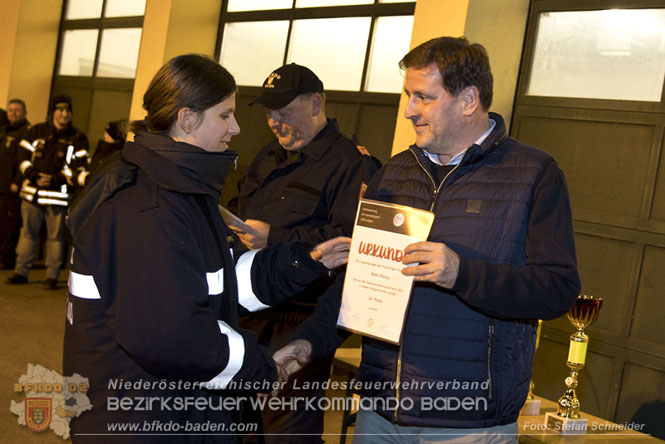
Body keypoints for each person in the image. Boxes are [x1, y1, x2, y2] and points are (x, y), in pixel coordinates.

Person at [276, 36, 582, 444]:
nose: (408, 111)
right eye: (408, 95)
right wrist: (308, 342)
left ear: (469, 99)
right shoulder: (395, 173)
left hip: (469, 423)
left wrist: (462, 274)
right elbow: (361, 281)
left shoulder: (533, 175)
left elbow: (557, 290)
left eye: (423, 97)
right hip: (380, 412)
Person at [62, 54, 351, 444]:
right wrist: (262, 367)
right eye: (225, 115)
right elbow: (173, 334)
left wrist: (305, 261)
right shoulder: (147, 206)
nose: (235, 127)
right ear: (186, 119)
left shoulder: (180, 189)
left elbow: (221, 279)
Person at [230, 63, 381, 443]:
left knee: (287, 432)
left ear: (316, 103)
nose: (273, 121)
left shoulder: (352, 164)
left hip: (299, 321)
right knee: (237, 429)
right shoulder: (267, 158)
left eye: (283, 112)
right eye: (268, 113)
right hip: (245, 316)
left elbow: (351, 241)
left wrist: (276, 237)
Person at [6, 94, 89, 288]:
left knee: (55, 238)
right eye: (60, 110)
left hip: (57, 197)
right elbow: (22, 157)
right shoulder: (36, 131)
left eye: (67, 111)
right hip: (32, 194)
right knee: (28, 234)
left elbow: (80, 167)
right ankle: (20, 272)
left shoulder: (78, 138)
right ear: (52, 113)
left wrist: (56, 178)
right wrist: (34, 175)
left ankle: (51, 276)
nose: (64, 114)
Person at [0, 99, 30, 269]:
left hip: (11, 188)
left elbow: (24, 161)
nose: (13, 113)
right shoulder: (4, 130)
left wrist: (17, 182)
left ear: (25, 112)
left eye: (17, 110)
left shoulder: (27, 132)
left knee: (8, 226)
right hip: (1, 185)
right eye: (10, 110)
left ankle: (6, 259)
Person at [72, 118, 127, 189]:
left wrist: (78, 178)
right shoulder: (104, 151)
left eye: (108, 133)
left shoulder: (110, 155)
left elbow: (97, 178)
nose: (105, 135)